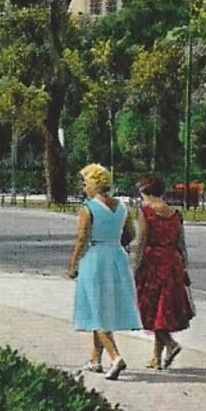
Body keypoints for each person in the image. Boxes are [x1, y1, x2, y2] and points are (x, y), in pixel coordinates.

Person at [66, 162, 141, 380]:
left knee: (95, 310)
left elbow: (82, 238)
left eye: (84, 182)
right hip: (116, 257)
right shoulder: (122, 207)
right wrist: (117, 242)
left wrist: (73, 264)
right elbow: (130, 233)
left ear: (92, 184)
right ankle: (95, 359)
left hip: (96, 257)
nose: (83, 186)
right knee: (103, 306)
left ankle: (115, 357)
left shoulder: (88, 208)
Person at [131, 173, 192, 370]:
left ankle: (170, 344)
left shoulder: (146, 212)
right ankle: (156, 357)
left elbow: (141, 242)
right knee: (162, 309)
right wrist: (183, 267)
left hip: (153, 263)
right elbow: (181, 244)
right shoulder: (175, 213)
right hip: (172, 262)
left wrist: (134, 266)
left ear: (145, 192)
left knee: (151, 307)